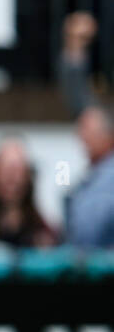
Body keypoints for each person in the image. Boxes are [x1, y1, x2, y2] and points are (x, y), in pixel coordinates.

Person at [67, 105, 114, 249]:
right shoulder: (91, 177)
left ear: (109, 135)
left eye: (87, 131)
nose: (81, 138)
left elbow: (90, 229)